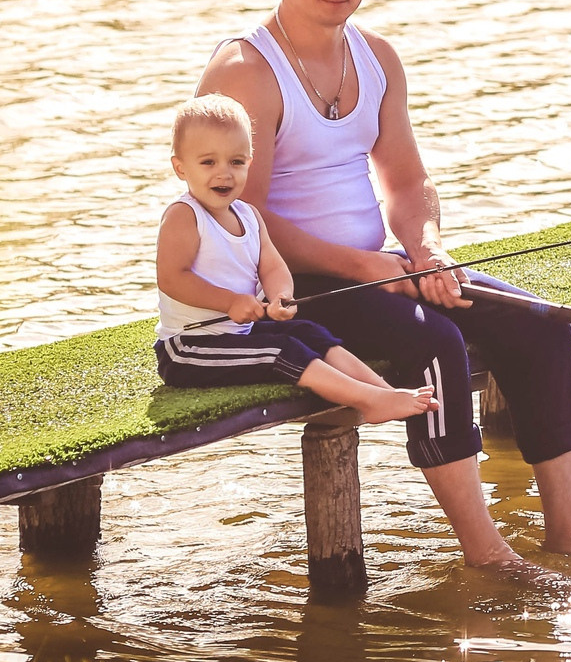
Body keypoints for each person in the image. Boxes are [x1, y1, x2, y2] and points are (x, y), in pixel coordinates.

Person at [195, 0, 571, 573]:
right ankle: (487, 553)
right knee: (433, 340)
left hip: (375, 267)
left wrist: (426, 250)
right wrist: (368, 269)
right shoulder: (246, 71)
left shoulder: (378, 56)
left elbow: (408, 184)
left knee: (537, 323)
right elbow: (247, 219)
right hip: (286, 284)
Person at [154, 95, 440, 428]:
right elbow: (172, 278)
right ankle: (369, 401)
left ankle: (384, 392)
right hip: (191, 348)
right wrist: (228, 301)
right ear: (180, 167)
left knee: (307, 332)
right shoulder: (184, 216)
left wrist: (279, 297)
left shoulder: (248, 215)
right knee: (282, 352)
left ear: (250, 160)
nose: (224, 174)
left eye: (236, 162)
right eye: (208, 163)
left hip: (240, 333)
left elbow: (273, 267)